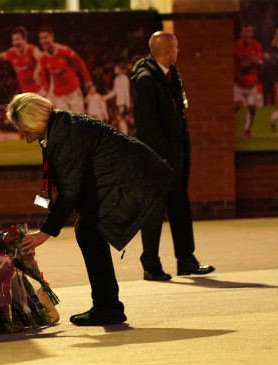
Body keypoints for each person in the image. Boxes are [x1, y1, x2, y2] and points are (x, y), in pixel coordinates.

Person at [11, 93, 172, 326]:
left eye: (23, 127)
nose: (21, 133)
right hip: (127, 176)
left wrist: (44, 233)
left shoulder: (65, 135)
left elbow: (70, 191)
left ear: (35, 120)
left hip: (132, 179)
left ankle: (108, 307)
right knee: (88, 231)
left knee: (88, 232)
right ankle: (107, 305)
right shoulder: (61, 126)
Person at [131, 31, 215, 281]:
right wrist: (163, 157)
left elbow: (178, 114)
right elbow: (147, 126)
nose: (178, 52)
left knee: (179, 206)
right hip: (158, 159)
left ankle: (186, 259)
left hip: (177, 155)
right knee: (154, 212)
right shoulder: (146, 80)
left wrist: (182, 150)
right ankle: (151, 264)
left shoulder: (171, 75)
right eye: (176, 48)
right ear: (167, 51)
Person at [34, 26, 92, 112]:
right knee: (64, 124)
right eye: (41, 38)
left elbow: (80, 64)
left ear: (52, 37)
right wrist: (45, 90)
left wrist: (88, 82)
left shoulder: (65, 51)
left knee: (78, 122)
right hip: (59, 96)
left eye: (46, 37)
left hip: (73, 93)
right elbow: (45, 79)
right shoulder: (43, 59)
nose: (43, 41)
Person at [0, 26, 43, 94]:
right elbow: (2, 56)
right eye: (13, 40)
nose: (15, 42)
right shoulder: (12, 53)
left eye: (18, 39)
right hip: (27, 93)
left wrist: (36, 71)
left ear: (25, 40)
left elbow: (42, 58)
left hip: (41, 90)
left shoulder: (32, 50)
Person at [234, 25, 264, 138]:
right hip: (237, 83)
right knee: (236, 106)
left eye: (249, 32)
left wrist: (256, 62)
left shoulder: (256, 46)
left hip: (251, 84)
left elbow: (261, 64)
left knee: (252, 109)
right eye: (245, 32)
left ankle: (247, 129)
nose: (247, 35)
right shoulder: (235, 46)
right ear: (241, 33)